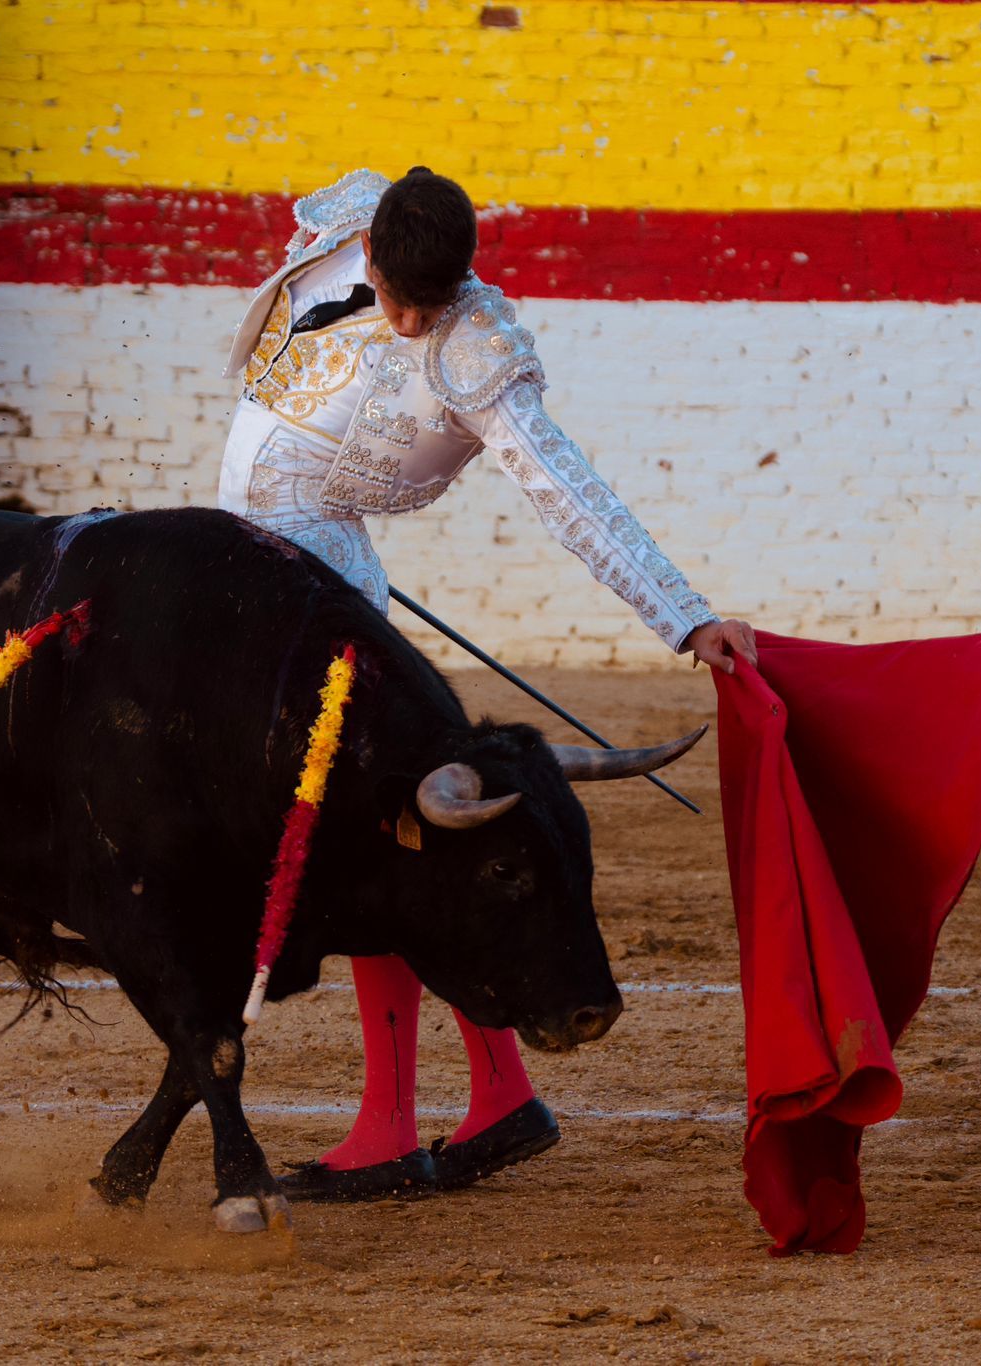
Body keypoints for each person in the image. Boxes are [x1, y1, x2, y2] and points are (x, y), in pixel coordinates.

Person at [217, 167, 758, 1200]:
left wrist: (682, 615)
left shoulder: (476, 350)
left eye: (432, 302)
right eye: (399, 297)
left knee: (373, 852)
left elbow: (566, 491)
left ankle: (389, 1128)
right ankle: (500, 1094)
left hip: (315, 597)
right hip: (264, 567)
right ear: (369, 254)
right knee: (386, 847)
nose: (413, 319)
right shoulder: (342, 222)